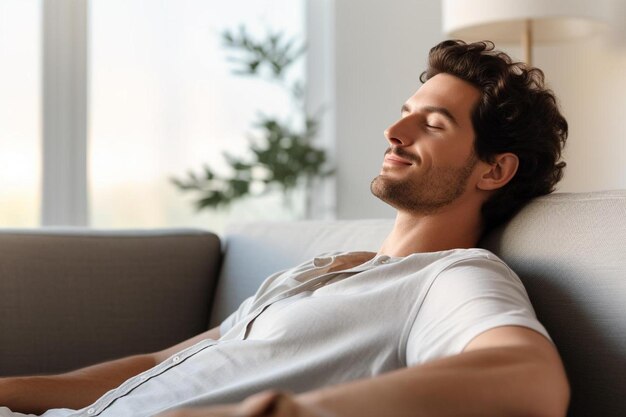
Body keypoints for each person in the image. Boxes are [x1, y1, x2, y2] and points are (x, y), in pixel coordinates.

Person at [0, 40, 570, 417]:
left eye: (433, 123)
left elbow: (532, 379)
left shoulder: (447, 277)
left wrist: (304, 411)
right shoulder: (329, 269)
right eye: (405, 110)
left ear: (494, 170)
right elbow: (157, 365)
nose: (395, 130)